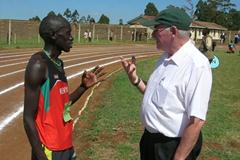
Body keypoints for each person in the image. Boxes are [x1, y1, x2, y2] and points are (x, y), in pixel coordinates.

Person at [121, 7, 212, 160]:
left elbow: (196, 122)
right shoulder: (165, 57)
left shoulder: (197, 65)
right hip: (150, 141)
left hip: (171, 146)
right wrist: (135, 80)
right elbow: (157, 96)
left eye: (157, 29)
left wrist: (179, 157)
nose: (153, 34)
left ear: (173, 31)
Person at [23, 15, 105, 160]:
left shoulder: (59, 64)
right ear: (54, 35)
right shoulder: (38, 64)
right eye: (67, 33)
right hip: (49, 148)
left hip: (66, 143)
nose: (71, 38)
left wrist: (83, 87)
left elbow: (63, 105)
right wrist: (40, 155)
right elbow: (28, 117)